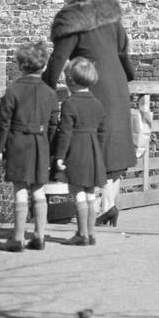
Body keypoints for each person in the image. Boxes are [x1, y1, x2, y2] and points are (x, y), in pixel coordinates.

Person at [43, 0, 135, 226]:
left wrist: (45, 85)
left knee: (90, 144)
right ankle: (109, 206)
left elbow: (58, 59)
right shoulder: (109, 14)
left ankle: (100, 208)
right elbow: (122, 51)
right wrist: (127, 77)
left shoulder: (71, 19)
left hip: (93, 84)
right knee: (114, 146)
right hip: (117, 83)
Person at [0, 39, 58, 251]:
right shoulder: (50, 93)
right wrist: (48, 145)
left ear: (20, 66)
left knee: (20, 188)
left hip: (17, 143)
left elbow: (3, 122)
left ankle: (18, 238)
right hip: (40, 143)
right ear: (45, 66)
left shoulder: (12, 91)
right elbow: (54, 123)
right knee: (39, 189)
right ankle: (39, 237)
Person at [52, 58, 107, 246]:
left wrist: (60, 156)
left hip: (76, 151)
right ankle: (91, 234)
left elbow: (65, 133)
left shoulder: (69, 103)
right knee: (91, 194)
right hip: (94, 153)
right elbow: (102, 132)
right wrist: (98, 152)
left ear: (71, 81)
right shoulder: (99, 104)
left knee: (78, 193)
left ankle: (81, 234)